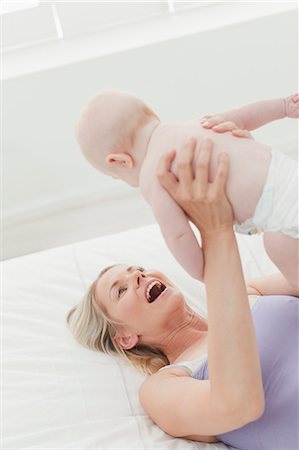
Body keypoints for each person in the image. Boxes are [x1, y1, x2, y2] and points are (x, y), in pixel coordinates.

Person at [67, 138, 298, 450]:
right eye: (120, 291)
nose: (138, 275)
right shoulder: (162, 388)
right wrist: (214, 232)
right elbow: (238, 405)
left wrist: (262, 187)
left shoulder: (247, 292)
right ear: (125, 337)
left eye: (136, 268)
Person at [76, 90, 299, 292]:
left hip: (282, 215)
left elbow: (179, 235)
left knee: (279, 249)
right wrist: (284, 106)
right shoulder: (198, 124)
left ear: (120, 161)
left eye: (116, 177)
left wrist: (204, 273)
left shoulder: (154, 178)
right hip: (289, 171)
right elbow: (244, 116)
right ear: (152, 115)